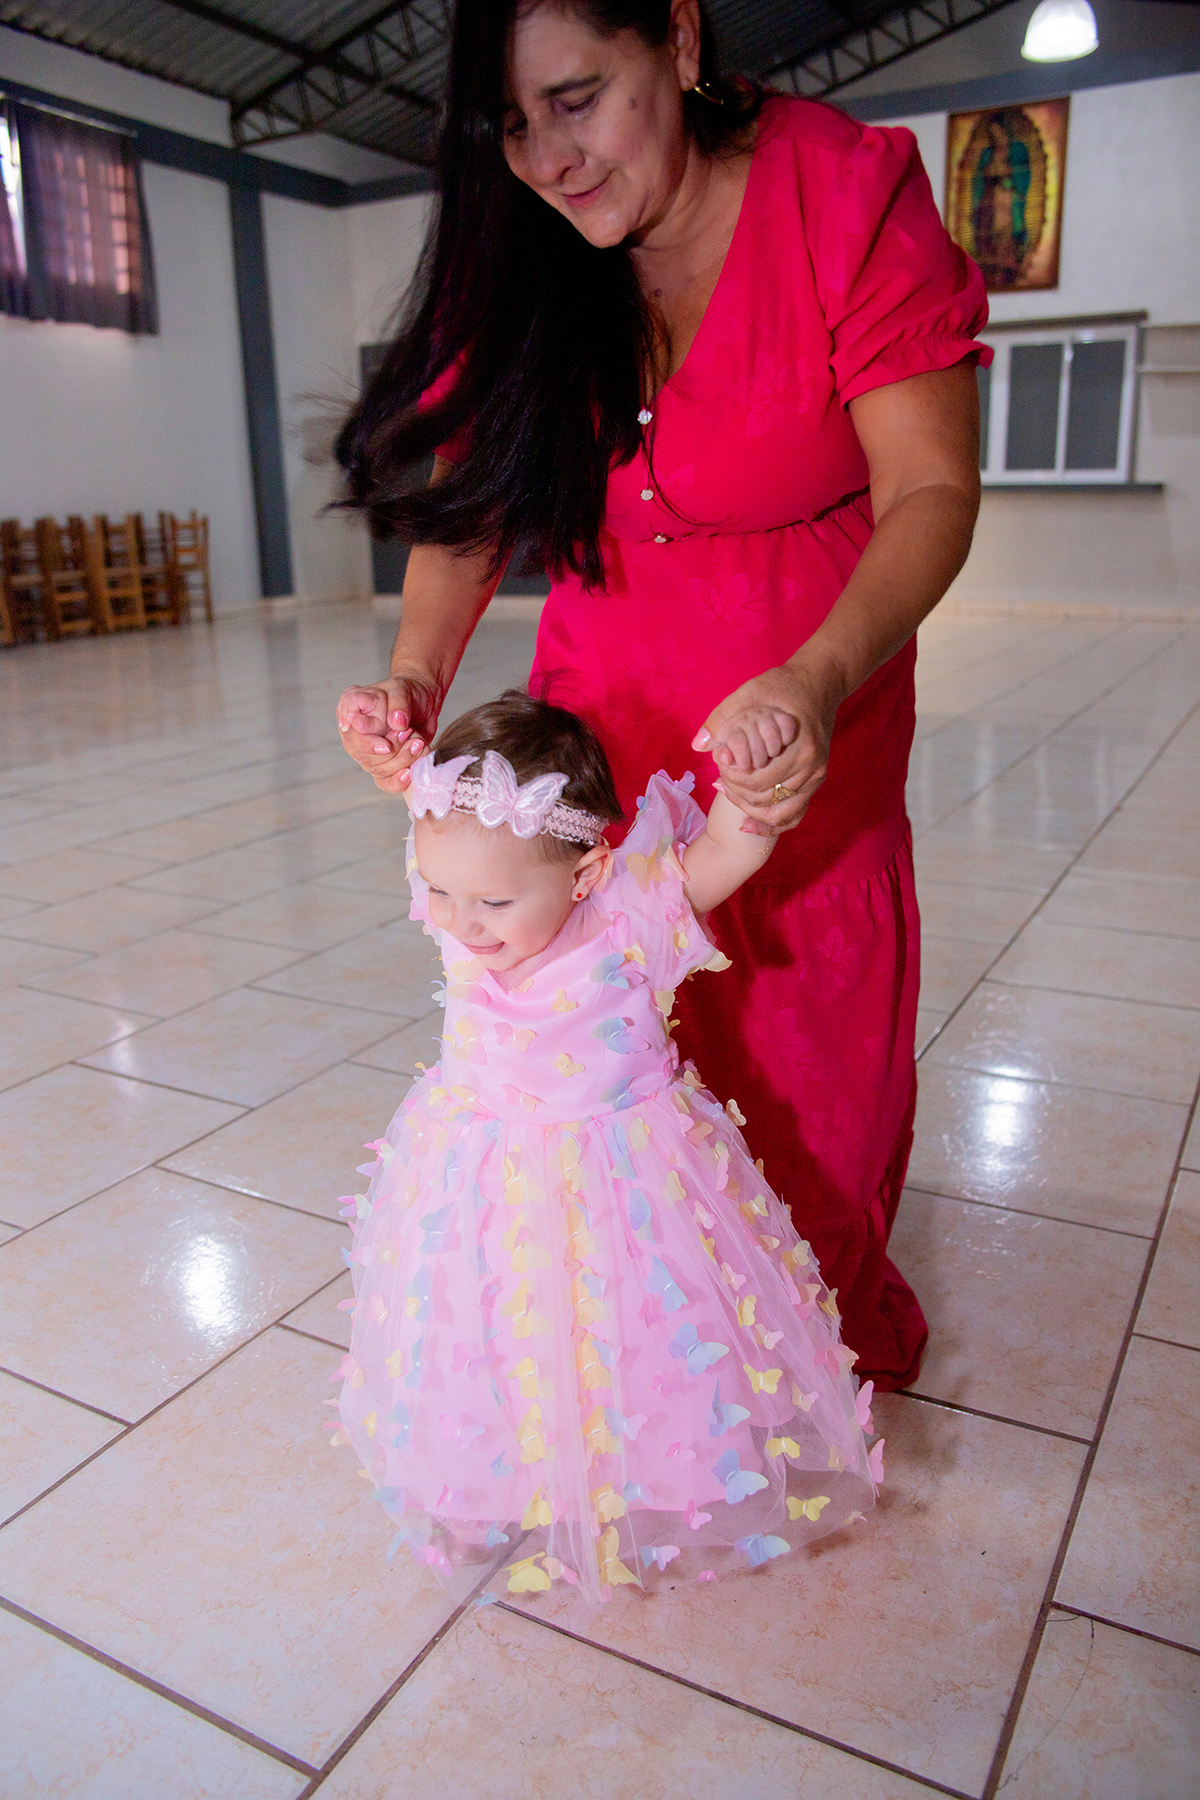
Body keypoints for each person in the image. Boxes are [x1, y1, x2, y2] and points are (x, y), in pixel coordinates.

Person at [334, 0, 989, 1392]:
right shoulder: (529, 255)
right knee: (611, 1080)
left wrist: (819, 675)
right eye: (513, 128)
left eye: (579, 99)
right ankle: (633, 1368)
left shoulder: (840, 193)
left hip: (794, 731)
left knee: (802, 1077)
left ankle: (785, 1373)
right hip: (602, 740)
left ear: (679, 41)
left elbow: (931, 489)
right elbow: (468, 511)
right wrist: (413, 675)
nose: (552, 160)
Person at [335, 692, 880, 1605]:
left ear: (587, 874)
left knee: (636, 1337)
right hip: (483, 1173)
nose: (460, 924)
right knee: (491, 1325)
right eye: (438, 891)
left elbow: (728, 854)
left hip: (624, 1188)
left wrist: (753, 790)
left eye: (493, 903)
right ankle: (503, 1475)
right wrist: (393, 749)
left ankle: (649, 1481)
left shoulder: (631, 916)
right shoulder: (461, 876)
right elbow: (444, 837)